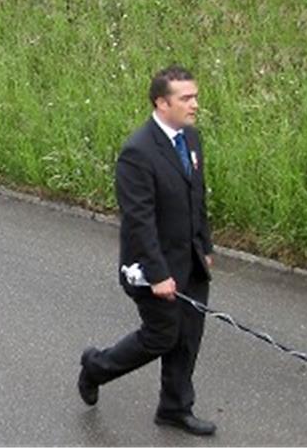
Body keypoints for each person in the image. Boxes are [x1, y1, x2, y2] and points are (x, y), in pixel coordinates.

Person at [78, 66, 216, 437]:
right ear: (161, 101)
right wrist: (158, 274)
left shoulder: (191, 138)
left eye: (195, 96)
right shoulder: (137, 153)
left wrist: (205, 246)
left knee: (187, 336)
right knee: (161, 336)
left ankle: (174, 408)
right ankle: (95, 367)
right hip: (151, 266)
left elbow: (196, 198)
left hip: (190, 261)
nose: (195, 104)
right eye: (186, 98)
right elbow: (138, 222)